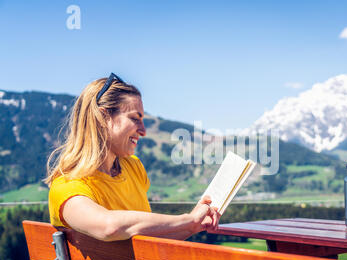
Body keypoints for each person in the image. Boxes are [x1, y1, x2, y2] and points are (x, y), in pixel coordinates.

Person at [45, 73, 220, 241]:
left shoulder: (133, 167)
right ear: (103, 117)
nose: (143, 131)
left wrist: (192, 226)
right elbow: (109, 227)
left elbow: (149, 237)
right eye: (135, 118)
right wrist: (187, 220)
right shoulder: (67, 187)